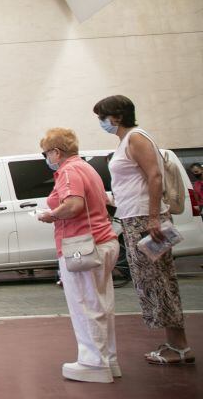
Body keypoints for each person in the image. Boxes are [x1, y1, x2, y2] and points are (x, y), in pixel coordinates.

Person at [93, 95, 194, 365]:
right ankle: (176, 343)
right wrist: (112, 199)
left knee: (159, 282)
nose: (101, 122)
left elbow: (154, 176)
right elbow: (135, 183)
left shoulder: (137, 138)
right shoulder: (126, 141)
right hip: (134, 218)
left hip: (144, 220)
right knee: (153, 283)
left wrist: (152, 218)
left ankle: (179, 346)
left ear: (116, 116)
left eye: (102, 117)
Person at [37, 128, 119, 383]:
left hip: (82, 244)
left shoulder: (68, 171)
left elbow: (73, 205)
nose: (46, 157)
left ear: (56, 152)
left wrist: (50, 215)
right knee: (102, 304)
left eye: (46, 153)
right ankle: (108, 359)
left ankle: (93, 362)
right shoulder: (86, 168)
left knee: (84, 304)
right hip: (104, 240)